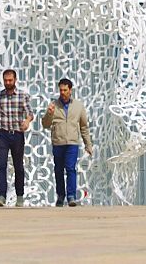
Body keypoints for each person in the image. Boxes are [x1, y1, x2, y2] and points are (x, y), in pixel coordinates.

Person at [0, 69, 34, 207]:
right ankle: (2, 196)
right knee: (1, 165)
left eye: (10, 80)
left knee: (18, 166)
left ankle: (19, 196)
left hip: (17, 134)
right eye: (5, 80)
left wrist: (27, 121)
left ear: (15, 80)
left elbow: (30, 113)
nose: (8, 83)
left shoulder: (22, 96)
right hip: (2, 134)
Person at [41, 78, 92, 207]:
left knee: (70, 168)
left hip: (72, 143)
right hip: (58, 142)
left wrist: (88, 144)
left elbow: (84, 127)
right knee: (58, 170)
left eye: (65, 90)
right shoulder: (54, 105)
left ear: (70, 90)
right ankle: (60, 195)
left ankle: (71, 196)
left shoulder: (78, 106)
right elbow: (45, 124)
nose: (62, 92)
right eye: (61, 90)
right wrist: (49, 114)